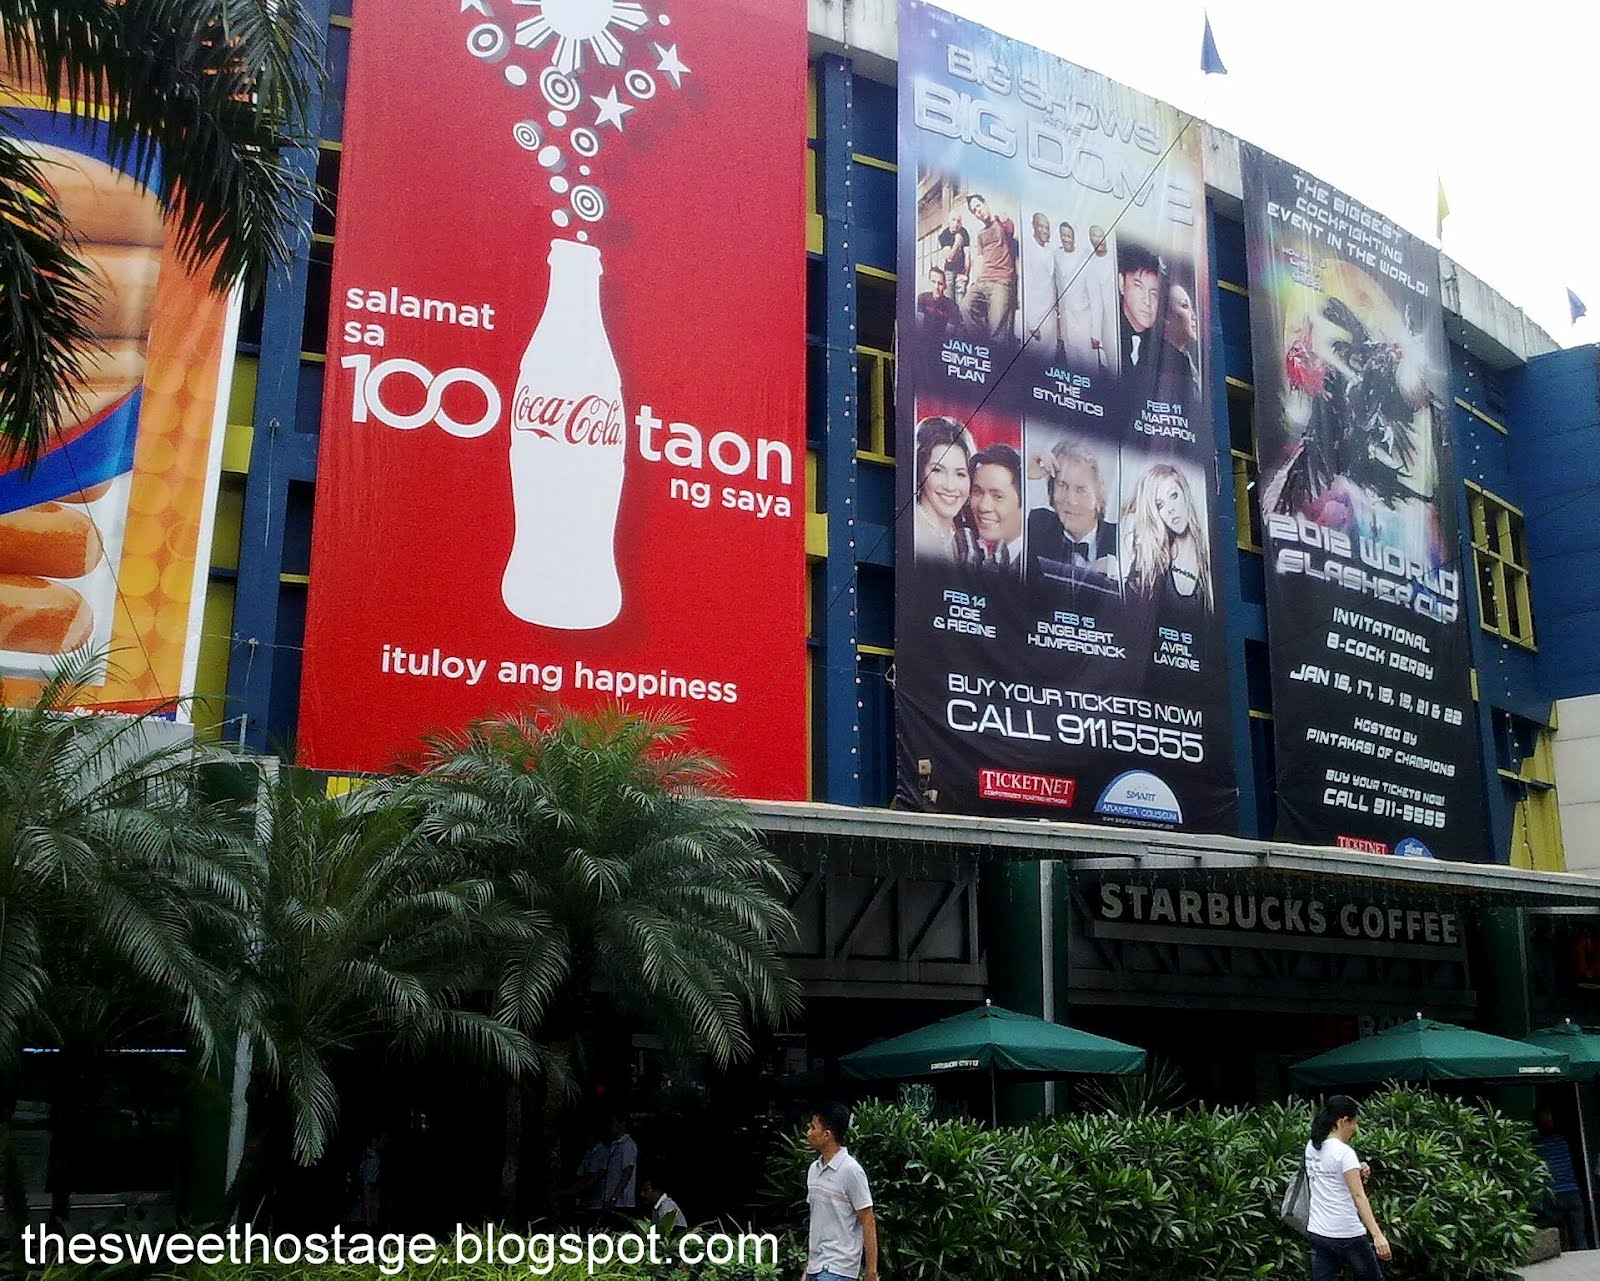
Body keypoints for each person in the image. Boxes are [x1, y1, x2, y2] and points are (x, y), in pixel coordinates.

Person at [1304, 1095, 1392, 1280]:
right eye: (1354, 1123)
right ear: (1344, 1121)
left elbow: (1328, 1177)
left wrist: (1356, 1171)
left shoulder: (1312, 1146)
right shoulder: (1345, 1153)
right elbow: (1358, 1195)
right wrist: (1377, 1235)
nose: (1355, 1128)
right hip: (1347, 1232)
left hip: (1318, 1231)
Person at [1120, 463, 1213, 625]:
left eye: (1173, 496)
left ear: (1185, 493)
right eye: (1159, 505)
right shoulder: (1154, 561)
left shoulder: (1209, 552)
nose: (1170, 509)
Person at [1026, 439, 1119, 585]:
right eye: (1062, 485)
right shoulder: (1036, 525)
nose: (1071, 500)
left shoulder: (1123, 540)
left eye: (1081, 490)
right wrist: (1023, 470)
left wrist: (1118, 569)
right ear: (1051, 489)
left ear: (1099, 496)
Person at [803, 1103, 878, 1281]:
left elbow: (868, 1220)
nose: (808, 1133)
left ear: (826, 1135)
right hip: (816, 1268)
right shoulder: (814, 1169)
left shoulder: (851, 1170)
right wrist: (808, 1269)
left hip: (839, 1269)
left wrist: (871, 1272)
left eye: (813, 1127)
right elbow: (819, 1222)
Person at [912, 416, 976, 565]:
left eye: (960, 474)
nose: (949, 486)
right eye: (937, 470)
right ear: (920, 471)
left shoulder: (959, 542)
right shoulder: (911, 529)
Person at [958, 193, 1017, 341]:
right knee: (965, 307)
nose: (978, 212)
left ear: (985, 203)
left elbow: (1010, 228)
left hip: (1001, 283)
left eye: (978, 206)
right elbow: (980, 259)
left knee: (997, 330)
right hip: (982, 282)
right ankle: (983, 345)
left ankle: (997, 358)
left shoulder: (1001, 223)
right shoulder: (980, 234)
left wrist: (1005, 219)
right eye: (974, 211)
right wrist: (974, 282)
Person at [1534, 1106, 1591, 1251]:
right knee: (1579, 1237)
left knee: (1550, 1236)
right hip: (1572, 1193)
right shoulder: (1566, 1140)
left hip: (1553, 1195)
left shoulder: (1536, 1145)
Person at [967, 444, 1024, 574]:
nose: (983, 506)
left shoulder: (1040, 565)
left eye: (997, 496)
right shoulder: (967, 556)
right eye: (977, 492)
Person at [1116, 243, 1163, 374]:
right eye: (1139, 286)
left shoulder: (1173, 358)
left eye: (1154, 293)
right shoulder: (1100, 340)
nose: (1147, 301)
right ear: (1121, 283)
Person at [1156, 282, 1202, 405]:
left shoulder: (1191, 362)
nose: (1194, 316)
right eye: (1185, 306)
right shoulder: (1157, 362)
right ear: (1166, 316)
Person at [1020, 212, 1060, 352]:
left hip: (1050, 315)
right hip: (1034, 317)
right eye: (1041, 226)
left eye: (1047, 227)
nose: (1044, 230)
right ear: (1033, 226)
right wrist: (1032, 323)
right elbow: (1025, 285)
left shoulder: (1050, 251)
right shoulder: (1027, 248)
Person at [602, 1113, 638, 1215]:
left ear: (621, 1124)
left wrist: (614, 1197)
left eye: (613, 1123)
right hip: (611, 1199)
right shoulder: (614, 1145)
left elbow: (627, 1172)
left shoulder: (628, 1145)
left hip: (623, 1202)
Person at [574, 1124, 611, 1220]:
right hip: (585, 1202)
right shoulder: (588, 1153)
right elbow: (582, 1175)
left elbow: (595, 1177)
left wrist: (578, 1189)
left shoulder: (604, 1152)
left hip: (597, 1203)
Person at [916, 267, 961, 340]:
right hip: (922, 340)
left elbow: (949, 334)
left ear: (945, 286)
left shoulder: (952, 306)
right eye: (933, 282)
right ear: (929, 282)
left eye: (940, 284)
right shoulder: (922, 298)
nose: (936, 287)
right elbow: (918, 326)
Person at [936, 214, 970, 302]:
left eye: (958, 221)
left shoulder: (964, 232)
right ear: (949, 221)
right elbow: (949, 258)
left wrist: (966, 274)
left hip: (961, 271)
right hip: (949, 271)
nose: (956, 223)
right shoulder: (944, 235)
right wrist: (957, 243)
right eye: (954, 220)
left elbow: (967, 255)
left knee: (961, 300)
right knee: (949, 300)